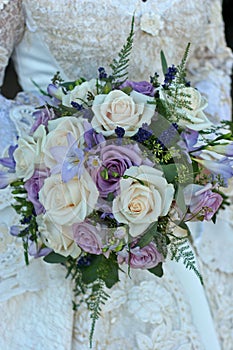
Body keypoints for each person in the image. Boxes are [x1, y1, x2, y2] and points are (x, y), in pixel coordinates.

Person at [0, 1, 232, 349]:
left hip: (180, 197)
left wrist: (196, 149)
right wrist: (45, 155)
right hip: (57, 200)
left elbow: (208, 63)